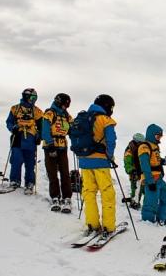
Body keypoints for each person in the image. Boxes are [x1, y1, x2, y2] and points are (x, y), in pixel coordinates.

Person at [78, 94, 118, 239]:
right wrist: (109, 157)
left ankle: (92, 224)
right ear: (107, 106)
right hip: (100, 161)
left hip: (83, 161)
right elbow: (111, 141)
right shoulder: (105, 119)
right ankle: (108, 226)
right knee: (107, 194)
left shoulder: (84, 118)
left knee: (89, 193)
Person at [5, 88, 43, 194]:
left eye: (35, 98)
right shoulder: (15, 109)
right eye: (31, 98)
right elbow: (9, 122)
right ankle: (14, 180)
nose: (33, 100)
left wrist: (39, 136)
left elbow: (41, 125)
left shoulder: (37, 111)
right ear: (26, 97)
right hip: (17, 137)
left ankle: (29, 183)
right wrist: (13, 127)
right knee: (16, 159)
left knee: (30, 162)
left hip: (30, 139)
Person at [42, 93, 74, 213]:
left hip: (62, 147)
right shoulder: (50, 113)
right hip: (50, 146)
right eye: (65, 105)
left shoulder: (66, 115)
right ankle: (55, 197)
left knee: (65, 173)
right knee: (52, 173)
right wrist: (50, 146)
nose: (66, 107)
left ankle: (67, 197)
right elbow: (45, 130)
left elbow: (72, 128)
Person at [139, 123, 166, 224]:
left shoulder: (155, 147)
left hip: (159, 177)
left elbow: (154, 160)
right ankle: (148, 221)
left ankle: (162, 218)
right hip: (151, 178)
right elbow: (145, 165)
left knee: (165, 199)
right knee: (151, 200)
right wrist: (150, 181)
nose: (159, 138)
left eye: (160, 136)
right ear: (151, 135)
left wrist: (163, 161)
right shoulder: (145, 147)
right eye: (157, 136)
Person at [123, 133, 145, 209]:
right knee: (135, 188)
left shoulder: (139, 150)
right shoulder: (129, 152)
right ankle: (134, 202)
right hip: (134, 173)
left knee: (142, 189)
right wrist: (131, 170)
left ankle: (136, 200)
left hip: (141, 172)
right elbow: (127, 164)